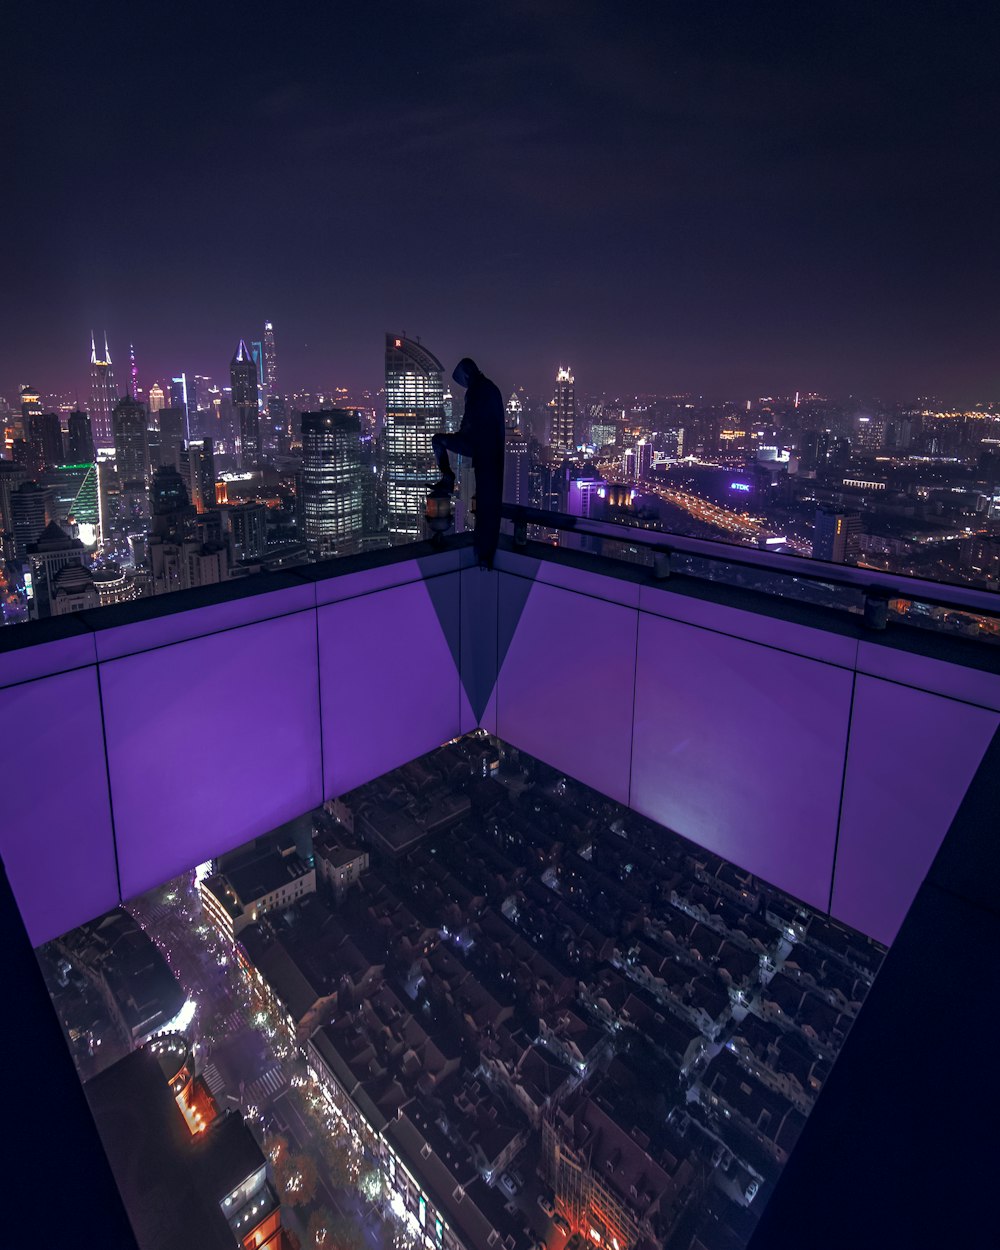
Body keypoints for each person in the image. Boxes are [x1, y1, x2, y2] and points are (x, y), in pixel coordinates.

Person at [431, 357, 505, 568]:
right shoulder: (491, 388)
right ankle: (485, 548)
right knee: (487, 498)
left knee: (438, 441)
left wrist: (459, 436)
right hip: (490, 449)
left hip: (477, 445)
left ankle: (447, 477)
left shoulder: (476, 389)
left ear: (466, 375)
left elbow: (469, 423)